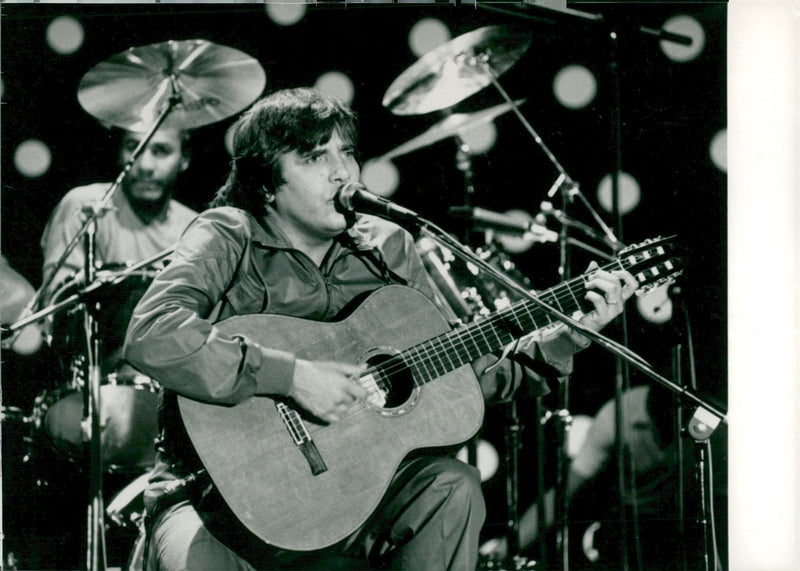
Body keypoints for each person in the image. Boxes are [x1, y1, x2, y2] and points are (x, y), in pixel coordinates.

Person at [123, 87, 638, 571]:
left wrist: (564, 339)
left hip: (347, 502)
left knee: (452, 486)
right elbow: (151, 333)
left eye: (346, 152)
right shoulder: (228, 233)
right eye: (313, 157)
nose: (342, 172)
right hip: (215, 505)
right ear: (266, 185)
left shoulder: (387, 247)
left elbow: (458, 376)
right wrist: (291, 376)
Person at [40, 125, 198, 373]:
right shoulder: (84, 205)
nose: (145, 165)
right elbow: (59, 311)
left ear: (184, 159)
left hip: (177, 382)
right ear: (119, 152)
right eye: (133, 148)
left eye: (161, 151)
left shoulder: (197, 229)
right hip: (95, 380)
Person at [482, 384, 685, 570]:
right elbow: (561, 495)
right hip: (635, 523)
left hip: (687, 517)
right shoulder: (616, 415)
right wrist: (503, 550)